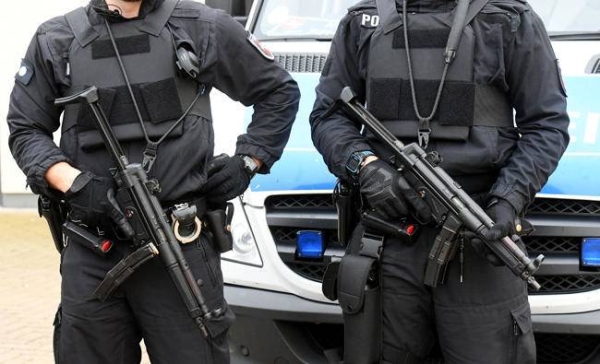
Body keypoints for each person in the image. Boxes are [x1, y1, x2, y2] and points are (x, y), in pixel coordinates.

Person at [7, 0, 300, 363]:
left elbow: (278, 92)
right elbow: (26, 129)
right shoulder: (57, 38)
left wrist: (248, 160)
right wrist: (74, 183)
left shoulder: (201, 27)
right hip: (94, 247)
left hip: (180, 244)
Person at [310, 0, 570, 363]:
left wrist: (508, 200)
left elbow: (547, 125)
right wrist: (365, 166)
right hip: (389, 235)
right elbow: (328, 117)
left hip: (477, 235)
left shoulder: (508, 20)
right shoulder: (364, 21)